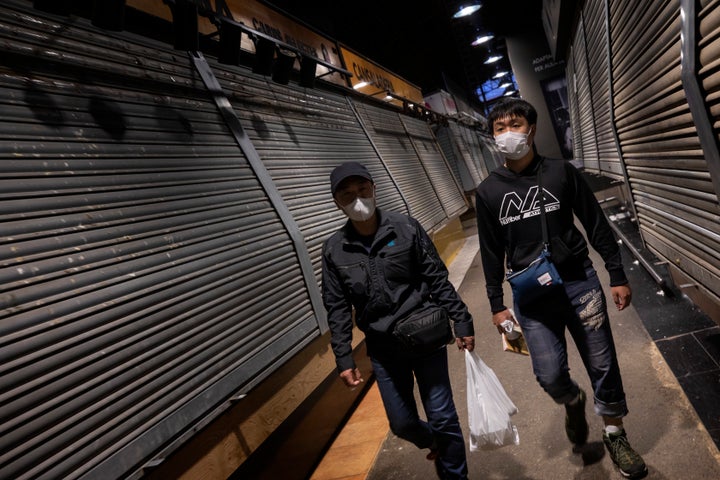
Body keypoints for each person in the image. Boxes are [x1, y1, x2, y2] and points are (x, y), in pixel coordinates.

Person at [474, 98, 648, 479]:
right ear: (492, 137)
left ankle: (615, 434)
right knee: (549, 373)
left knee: (602, 362)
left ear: (531, 128)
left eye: (514, 124)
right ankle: (572, 400)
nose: (507, 134)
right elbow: (490, 252)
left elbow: (595, 222)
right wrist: (496, 305)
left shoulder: (560, 173)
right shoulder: (487, 192)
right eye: (499, 128)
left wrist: (616, 274)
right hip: (531, 297)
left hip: (578, 281)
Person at [321, 161, 475, 480]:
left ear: (374, 189)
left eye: (362, 189)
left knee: (443, 415)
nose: (357, 199)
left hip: (426, 337)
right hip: (384, 351)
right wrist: (343, 355)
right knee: (401, 423)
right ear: (337, 202)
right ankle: (434, 442)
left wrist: (461, 320)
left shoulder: (405, 227)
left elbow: (436, 277)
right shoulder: (335, 250)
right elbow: (336, 306)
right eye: (347, 194)